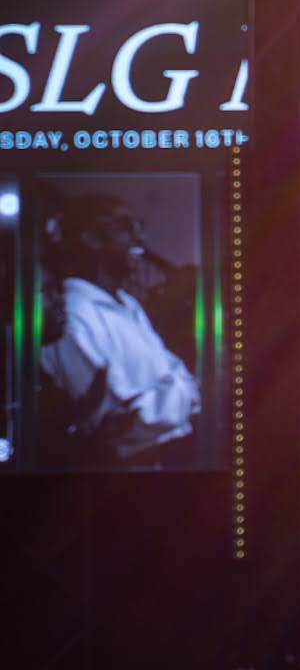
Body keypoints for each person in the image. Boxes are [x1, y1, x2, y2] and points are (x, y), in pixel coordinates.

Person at [39, 191, 200, 466]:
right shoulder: (71, 316)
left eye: (140, 227)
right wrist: (185, 392)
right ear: (91, 238)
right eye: (126, 228)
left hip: (169, 454)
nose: (141, 239)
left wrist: (174, 392)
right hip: (128, 471)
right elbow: (121, 423)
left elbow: (176, 374)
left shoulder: (128, 304)